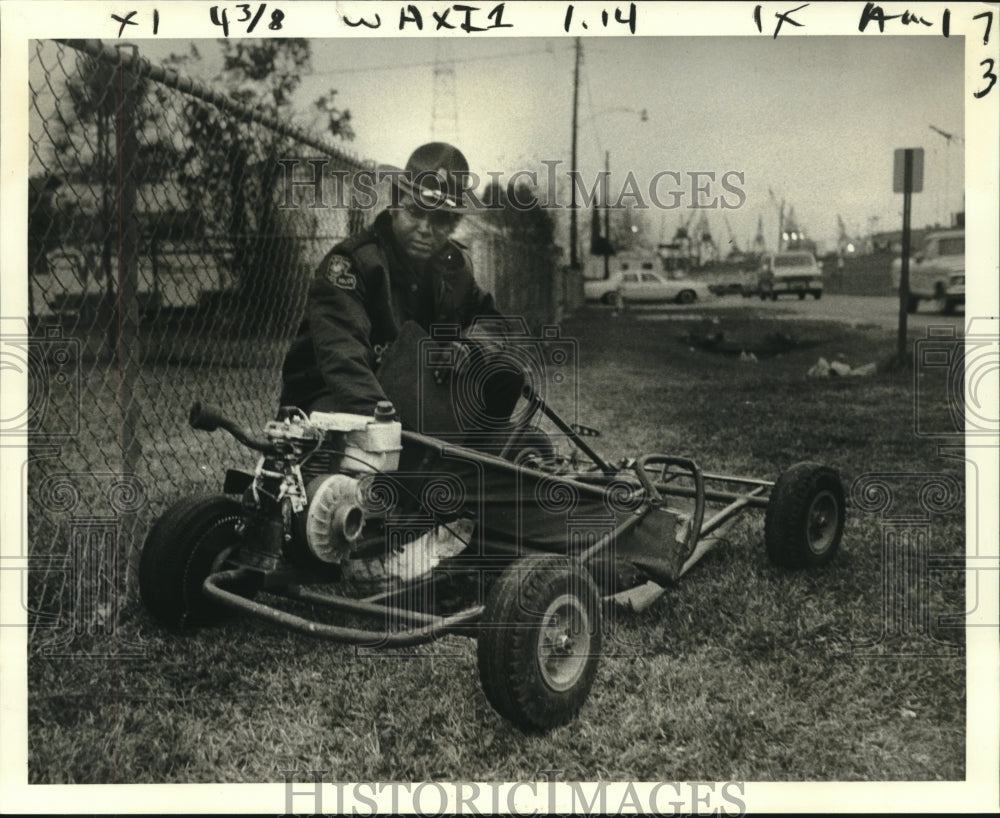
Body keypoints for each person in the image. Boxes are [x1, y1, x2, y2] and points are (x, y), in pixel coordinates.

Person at [279, 142, 506, 421]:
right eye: (416, 212)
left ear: (454, 225)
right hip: (334, 398)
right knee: (375, 450)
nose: (425, 229)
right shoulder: (353, 264)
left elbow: (493, 324)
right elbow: (343, 358)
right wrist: (386, 425)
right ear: (396, 205)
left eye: (440, 219)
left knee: (505, 377)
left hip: (409, 397)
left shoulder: (453, 267)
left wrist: (469, 348)